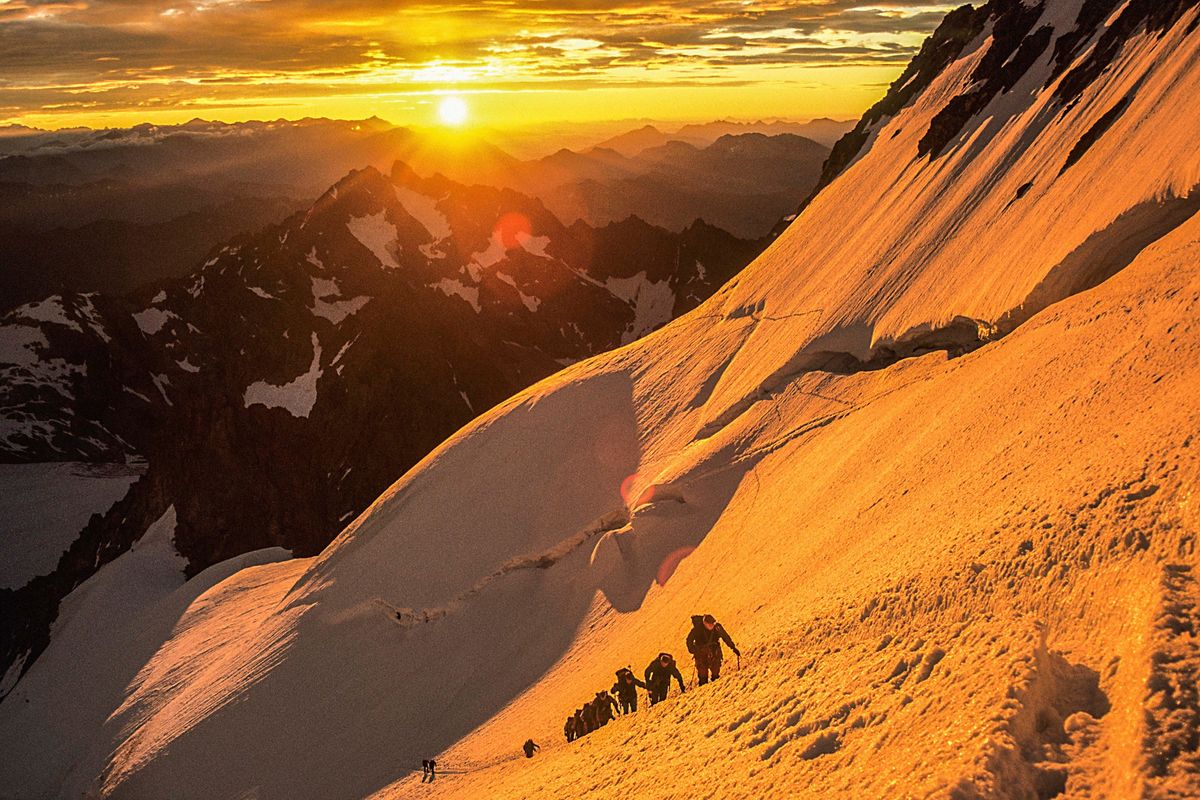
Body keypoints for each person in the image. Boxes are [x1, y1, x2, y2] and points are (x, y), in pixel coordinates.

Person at [686, 614, 740, 685]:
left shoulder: (717, 628)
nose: (711, 626)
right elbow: (689, 640)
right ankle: (703, 690)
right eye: (709, 624)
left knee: (715, 672)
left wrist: (733, 647)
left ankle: (715, 687)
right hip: (701, 654)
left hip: (715, 652)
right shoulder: (697, 629)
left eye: (713, 624)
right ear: (704, 623)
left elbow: (725, 637)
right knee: (703, 676)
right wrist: (694, 650)